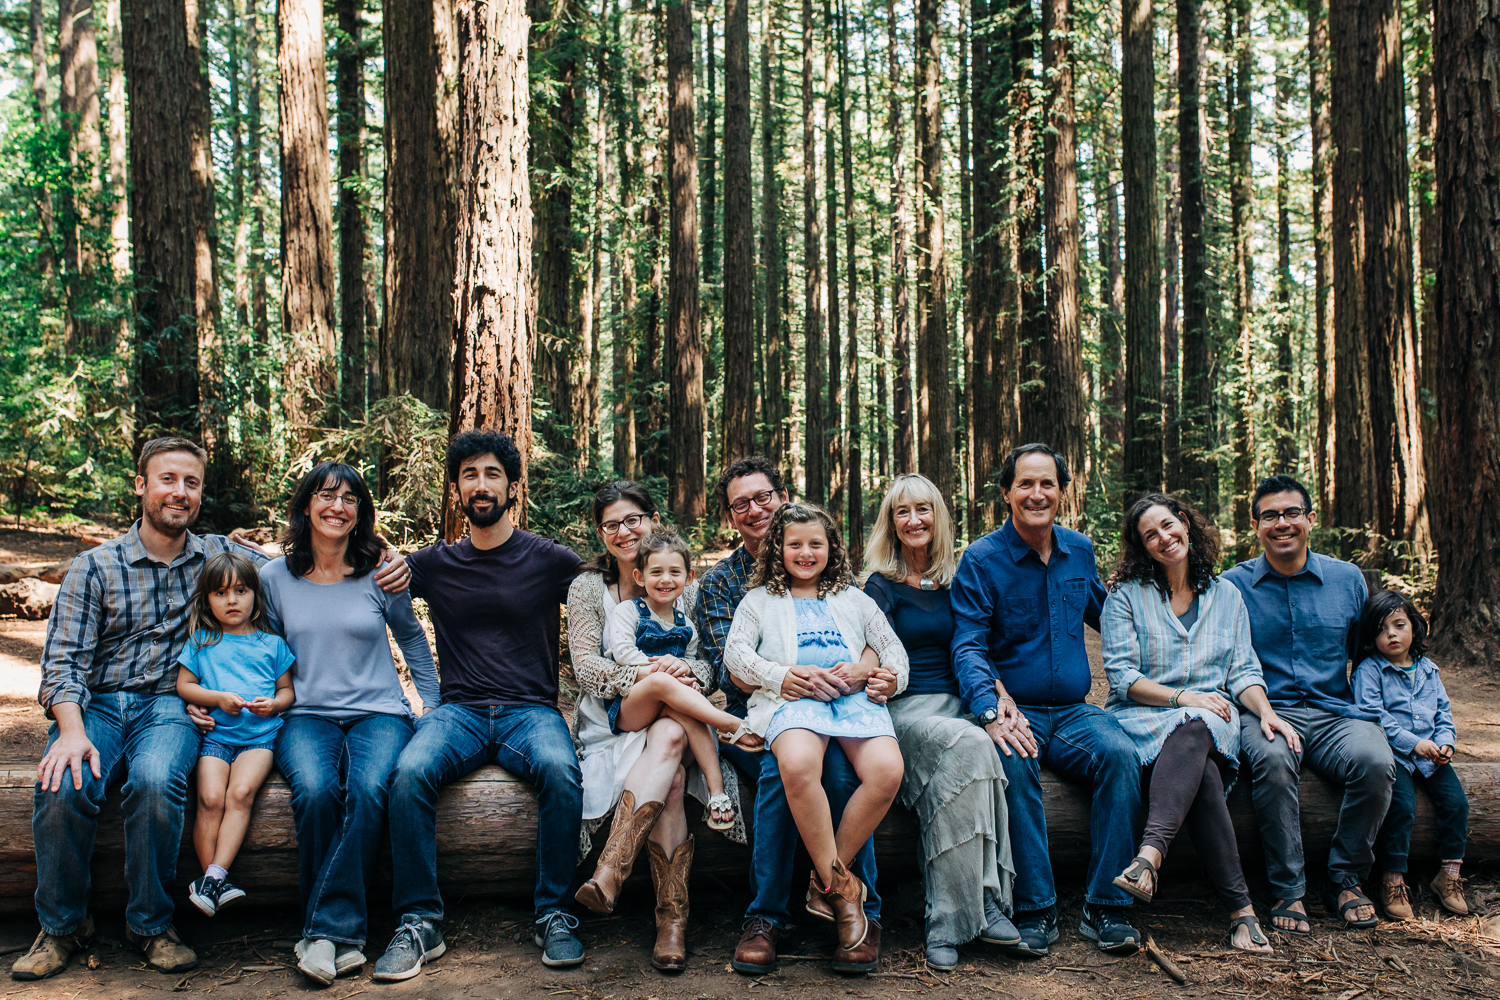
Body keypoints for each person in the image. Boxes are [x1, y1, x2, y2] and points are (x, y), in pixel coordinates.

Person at [13, 438, 322, 982]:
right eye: (167, 479)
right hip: (100, 706)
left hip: (171, 705)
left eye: (192, 483)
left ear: (200, 493)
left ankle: (150, 924)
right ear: (142, 486)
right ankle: (62, 926)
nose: (179, 492)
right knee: (63, 784)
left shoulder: (217, 555)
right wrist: (69, 731)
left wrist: (381, 561)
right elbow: (62, 663)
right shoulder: (94, 568)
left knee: (157, 781)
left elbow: (304, 563)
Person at [376, 429, 586, 980]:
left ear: (513, 485)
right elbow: (362, 576)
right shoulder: (435, 563)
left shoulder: (550, 560)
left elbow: (613, 592)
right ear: (456, 490)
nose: (481, 483)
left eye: (493, 473)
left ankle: (556, 913)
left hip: (531, 710)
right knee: (408, 773)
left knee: (562, 772)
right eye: (470, 474)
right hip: (459, 710)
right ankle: (419, 920)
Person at [695, 457, 886, 975]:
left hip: (837, 708)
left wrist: (859, 671)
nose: (754, 510)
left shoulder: (835, 576)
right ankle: (768, 918)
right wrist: (786, 677)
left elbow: (872, 643)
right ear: (731, 516)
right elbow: (730, 673)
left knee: (846, 770)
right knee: (788, 771)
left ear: (783, 497)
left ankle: (854, 906)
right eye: (741, 504)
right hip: (757, 720)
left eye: (762, 497)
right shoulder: (722, 583)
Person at [950, 443, 1142, 957]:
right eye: (1026, 484)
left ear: (1062, 490)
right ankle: (1035, 908)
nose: (1038, 494)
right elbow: (967, 643)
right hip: (1018, 710)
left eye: (1048, 484)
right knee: (1012, 764)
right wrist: (989, 710)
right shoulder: (982, 559)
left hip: (1077, 712)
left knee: (1122, 758)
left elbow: (1109, 614)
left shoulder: (1079, 549)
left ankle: (1107, 906)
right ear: (1007, 492)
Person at [253, 462, 441, 986]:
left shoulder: (380, 568)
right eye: (326, 496)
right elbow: (262, 651)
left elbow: (412, 641)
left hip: (379, 713)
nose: (338, 507)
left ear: (361, 512)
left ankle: (325, 934)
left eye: (350, 499)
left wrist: (435, 704)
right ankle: (339, 934)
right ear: (306, 506)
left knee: (368, 788)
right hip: (304, 715)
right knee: (315, 791)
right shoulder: (274, 577)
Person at [1102, 494, 1299, 955]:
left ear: (1186, 524)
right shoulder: (1125, 596)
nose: (1164, 538)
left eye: (1169, 526)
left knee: (1197, 725)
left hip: (1212, 721)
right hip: (1143, 720)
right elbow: (1122, 677)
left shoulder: (1227, 595)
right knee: (1205, 773)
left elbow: (1244, 672)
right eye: (1151, 535)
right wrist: (1183, 697)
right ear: (1141, 547)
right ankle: (1242, 914)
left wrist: (1267, 714)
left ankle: (1149, 857)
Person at [568, 492, 749, 972]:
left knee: (669, 749)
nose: (624, 532)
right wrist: (659, 680)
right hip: (615, 716)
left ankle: (627, 886)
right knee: (666, 717)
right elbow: (588, 669)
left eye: (633, 520)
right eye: (611, 525)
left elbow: (707, 661)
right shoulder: (589, 587)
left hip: (678, 719)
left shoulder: (683, 582)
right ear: (602, 536)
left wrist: (683, 675)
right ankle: (670, 918)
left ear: (653, 520)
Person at [725, 503, 907, 959]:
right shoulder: (759, 600)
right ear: (777, 550)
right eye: (795, 544)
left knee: (886, 771)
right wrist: (782, 674)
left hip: (854, 702)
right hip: (794, 702)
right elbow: (736, 657)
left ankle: (825, 881)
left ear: (831, 548)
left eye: (815, 544)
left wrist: (886, 677)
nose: (805, 553)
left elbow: (894, 653)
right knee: (797, 764)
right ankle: (842, 897)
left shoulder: (853, 598)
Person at [1222, 475, 1395, 933]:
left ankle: (1344, 877)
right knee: (1275, 763)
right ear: (1255, 525)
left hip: (1336, 712)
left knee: (1376, 760)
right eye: (1271, 515)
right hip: (1263, 711)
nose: (1282, 523)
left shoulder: (1347, 578)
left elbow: (1371, 654)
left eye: (1292, 513)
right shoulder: (1230, 586)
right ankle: (1288, 888)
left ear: (1310, 519)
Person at [861, 474, 1020, 970]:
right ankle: (957, 916)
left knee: (977, 749)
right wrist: (874, 678)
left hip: (961, 703)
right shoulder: (880, 585)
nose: (914, 521)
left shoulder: (961, 577)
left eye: (923, 509)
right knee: (972, 746)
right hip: (906, 709)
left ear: (938, 516)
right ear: (891, 522)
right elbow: (870, 651)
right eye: (902, 512)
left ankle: (982, 899)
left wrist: (999, 693)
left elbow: (975, 646)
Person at [175, 552, 295, 918]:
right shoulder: (202, 641)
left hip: (259, 738)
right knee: (210, 797)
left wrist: (272, 705)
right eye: (221, 593)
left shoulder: (271, 644)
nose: (231, 600)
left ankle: (211, 879)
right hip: (215, 738)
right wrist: (216, 699)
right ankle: (215, 881)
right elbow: (184, 685)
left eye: (241, 591)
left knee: (240, 794)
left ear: (255, 595)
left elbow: (287, 692)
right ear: (207, 600)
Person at [1352, 590, 1468, 921]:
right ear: (1369, 637)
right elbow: (1373, 714)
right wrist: (1413, 743)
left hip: (1432, 757)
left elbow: (1443, 714)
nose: (1391, 634)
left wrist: (1446, 743)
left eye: (1399, 625)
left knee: (1456, 803)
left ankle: (1449, 874)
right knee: (1402, 806)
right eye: (1380, 629)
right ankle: (1393, 878)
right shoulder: (1369, 671)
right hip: (1395, 755)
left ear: (1414, 627)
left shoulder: (1429, 671)